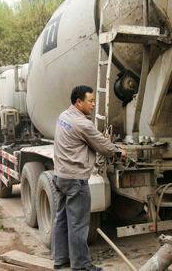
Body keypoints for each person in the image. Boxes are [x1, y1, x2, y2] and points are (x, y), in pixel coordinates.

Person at [53, 85, 126, 271]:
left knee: (61, 220)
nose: (94, 104)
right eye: (90, 101)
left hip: (60, 176)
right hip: (76, 180)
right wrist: (119, 151)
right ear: (78, 102)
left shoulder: (63, 116)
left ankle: (61, 260)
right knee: (79, 224)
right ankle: (81, 266)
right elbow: (104, 147)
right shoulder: (83, 124)